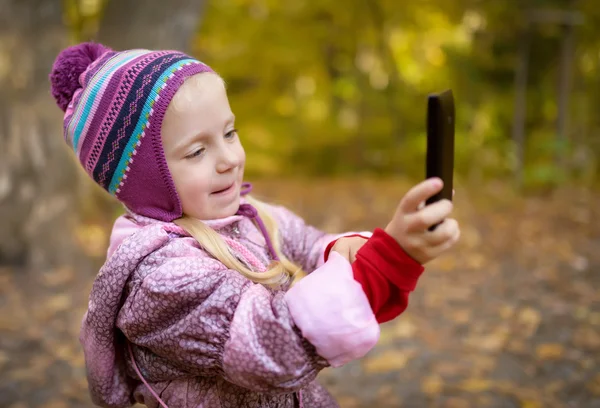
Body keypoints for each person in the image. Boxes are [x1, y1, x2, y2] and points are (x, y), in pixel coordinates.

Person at [49, 42, 460, 408]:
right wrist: (388, 262)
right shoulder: (158, 277)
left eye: (230, 132)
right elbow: (267, 341)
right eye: (197, 151)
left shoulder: (252, 216)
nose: (228, 158)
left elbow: (313, 247)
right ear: (145, 181)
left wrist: (364, 251)